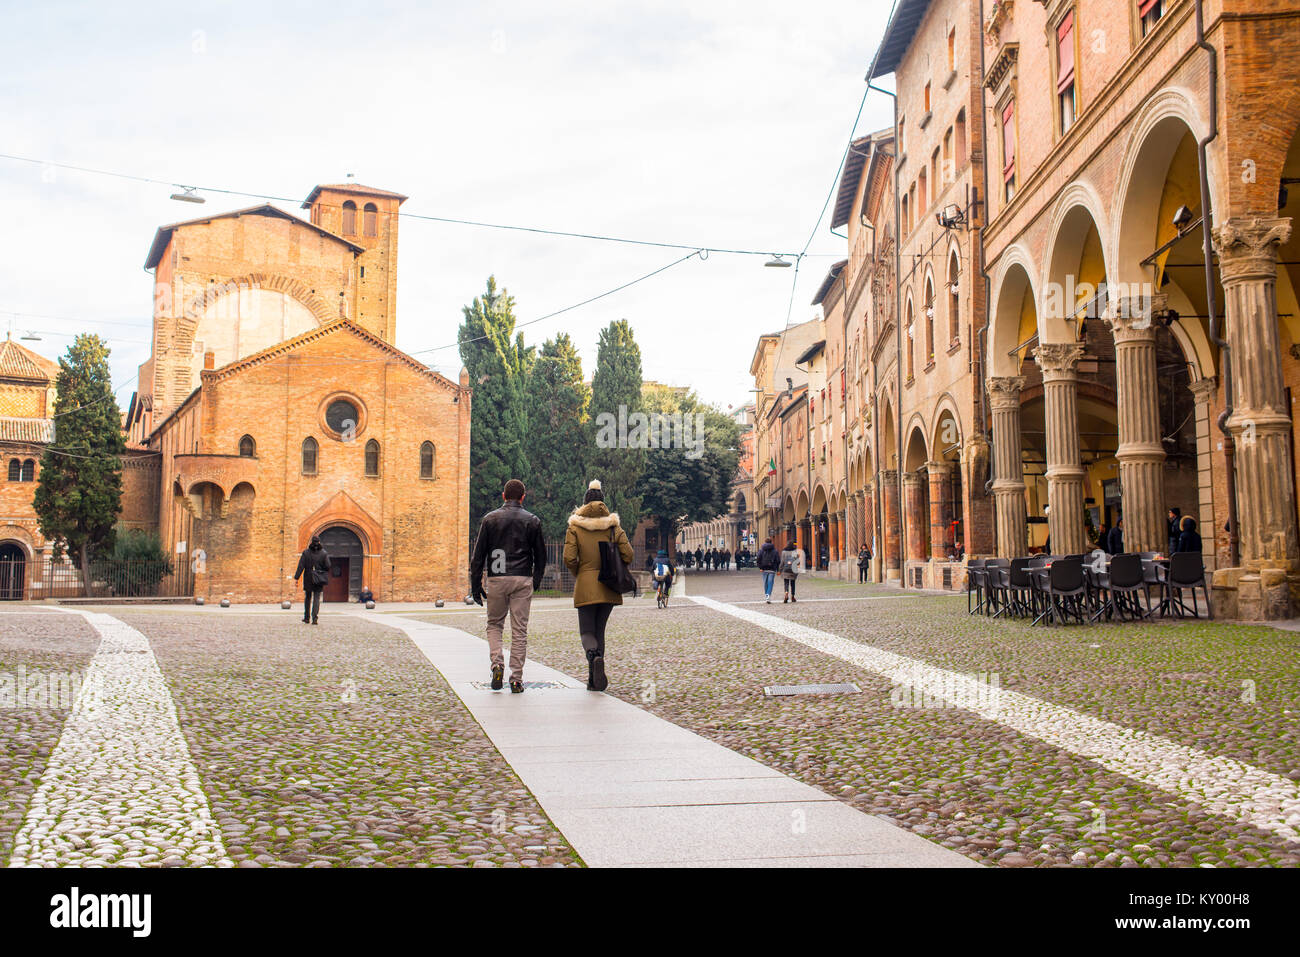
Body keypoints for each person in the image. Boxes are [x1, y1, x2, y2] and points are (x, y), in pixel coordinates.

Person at [469, 478, 547, 694]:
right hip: (522, 577)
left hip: (497, 576)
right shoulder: (532, 521)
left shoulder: (490, 519)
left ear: (503, 496)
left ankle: (497, 664)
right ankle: (516, 679)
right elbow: (541, 556)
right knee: (519, 630)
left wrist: (476, 585)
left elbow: (478, 556)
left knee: (494, 624)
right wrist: (536, 580)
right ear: (523, 497)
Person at [563, 480, 633, 692]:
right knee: (599, 631)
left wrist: (581, 573)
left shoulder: (574, 526)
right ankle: (594, 679)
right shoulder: (614, 526)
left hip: (586, 584)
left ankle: (593, 658)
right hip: (609, 585)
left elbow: (569, 558)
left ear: (584, 503)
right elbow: (628, 555)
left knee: (587, 632)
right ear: (603, 502)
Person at [293, 535, 330, 625]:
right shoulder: (323, 553)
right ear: (319, 542)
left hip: (308, 578)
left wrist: (296, 577)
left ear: (311, 542)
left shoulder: (306, 553)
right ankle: (315, 619)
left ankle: (307, 618)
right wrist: (321, 570)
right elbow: (328, 566)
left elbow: (301, 566)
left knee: (308, 598)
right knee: (316, 598)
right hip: (318, 578)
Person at [779, 538, 804, 603]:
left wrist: (780, 570)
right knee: (793, 583)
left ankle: (786, 593)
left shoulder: (784, 552)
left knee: (786, 582)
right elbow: (797, 562)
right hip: (793, 569)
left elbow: (782, 562)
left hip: (785, 569)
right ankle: (792, 596)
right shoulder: (794, 551)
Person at [756, 537, 780, 602]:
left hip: (764, 569)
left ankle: (766, 595)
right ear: (771, 542)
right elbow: (778, 561)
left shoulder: (761, 550)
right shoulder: (775, 551)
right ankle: (768, 595)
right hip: (772, 569)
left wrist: (760, 567)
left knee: (765, 583)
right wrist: (778, 570)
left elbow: (758, 559)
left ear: (765, 542)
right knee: (770, 582)